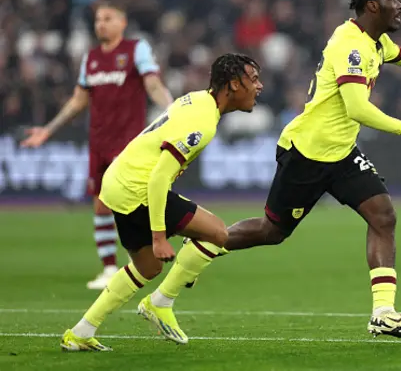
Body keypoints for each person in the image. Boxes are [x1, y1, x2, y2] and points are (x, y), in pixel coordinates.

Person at [203, 0, 401, 339]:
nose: (400, 4)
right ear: (372, 5)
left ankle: (384, 312)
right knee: (272, 231)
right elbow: (358, 108)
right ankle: (204, 242)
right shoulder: (350, 46)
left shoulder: (374, 42)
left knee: (383, 215)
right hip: (309, 152)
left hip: (341, 152)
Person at [60, 53, 263, 352]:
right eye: (254, 80)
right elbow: (158, 179)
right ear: (233, 84)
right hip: (139, 187)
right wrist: (158, 237)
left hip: (117, 182)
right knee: (218, 233)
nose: (259, 86)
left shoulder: (195, 100)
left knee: (147, 268)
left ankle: (80, 332)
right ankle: (161, 302)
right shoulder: (204, 123)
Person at [21, 2, 174, 290]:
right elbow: (79, 100)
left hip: (129, 142)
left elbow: (152, 84)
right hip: (99, 142)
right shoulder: (90, 58)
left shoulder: (135, 49)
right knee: (101, 204)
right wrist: (48, 130)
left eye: (107, 18)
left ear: (122, 21)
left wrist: (173, 111)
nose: (100, 24)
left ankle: (172, 236)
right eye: (97, 20)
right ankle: (108, 269)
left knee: (138, 201)